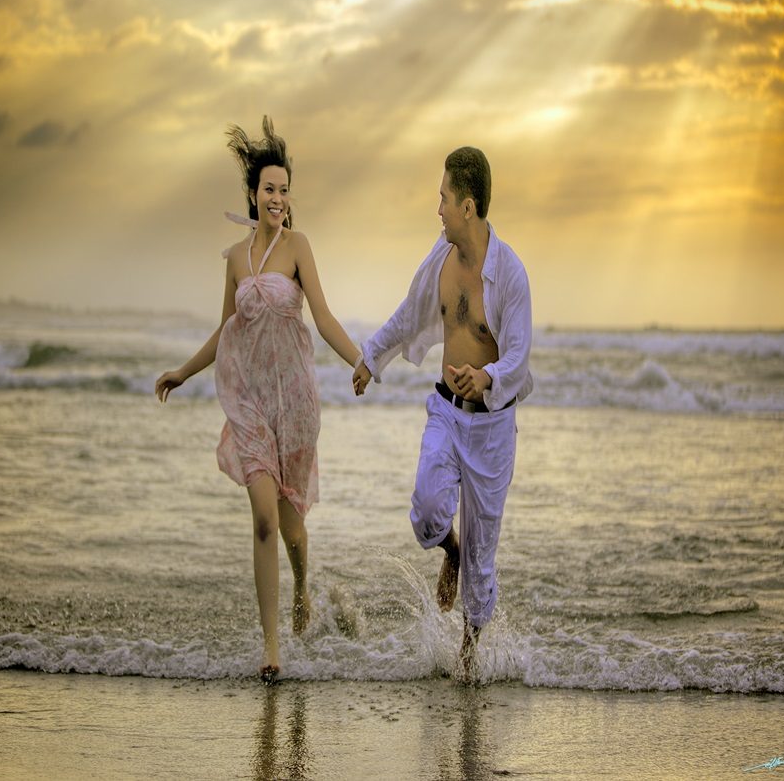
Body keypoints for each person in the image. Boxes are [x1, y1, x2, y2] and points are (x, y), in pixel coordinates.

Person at [156, 116, 360, 683]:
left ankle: (302, 588)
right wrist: (184, 372)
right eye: (268, 188)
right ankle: (272, 649)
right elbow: (227, 332)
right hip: (248, 404)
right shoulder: (236, 258)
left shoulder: (299, 246)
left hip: (294, 404)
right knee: (265, 521)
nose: (277, 197)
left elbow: (322, 318)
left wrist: (361, 359)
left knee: (293, 527)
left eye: (284, 188)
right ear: (253, 194)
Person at [352, 146, 532, 681]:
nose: (439, 210)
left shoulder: (511, 276)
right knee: (429, 509)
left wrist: (488, 377)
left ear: (469, 206)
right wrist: (370, 358)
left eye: (444, 199)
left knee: (482, 562)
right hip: (446, 415)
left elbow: (519, 358)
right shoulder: (440, 260)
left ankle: (467, 661)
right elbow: (408, 315)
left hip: (493, 431)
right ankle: (446, 549)